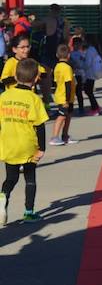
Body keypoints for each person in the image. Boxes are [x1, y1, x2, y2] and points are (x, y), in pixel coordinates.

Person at [0, 58, 48, 225]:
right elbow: (40, 125)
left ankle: (3, 196)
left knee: (11, 177)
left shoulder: (4, 96)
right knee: (30, 178)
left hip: (8, 143)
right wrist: (41, 148)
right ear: (35, 78)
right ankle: (29, 212)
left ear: (15, 75)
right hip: (28, 145)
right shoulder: (34, 99)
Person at [49, 44, 77, 146]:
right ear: (69, 55)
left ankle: (65, 136)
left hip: (62, 95)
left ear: (57, 55)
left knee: (68, 115)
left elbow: (55, 81)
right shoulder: (67, 68)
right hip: (65, 97)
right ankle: (54, 137)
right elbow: (68, 84)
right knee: (61, 116)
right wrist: (67, 99)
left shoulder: (57, 66)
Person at [77, 37, 102, 115]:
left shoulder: (89, 51)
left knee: (88, 91)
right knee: (89, 91)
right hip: (92, 73)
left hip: (90, 74)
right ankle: (96, 107)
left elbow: (87, 64)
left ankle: (95, 108)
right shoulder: (93, 50)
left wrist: (80, 65)